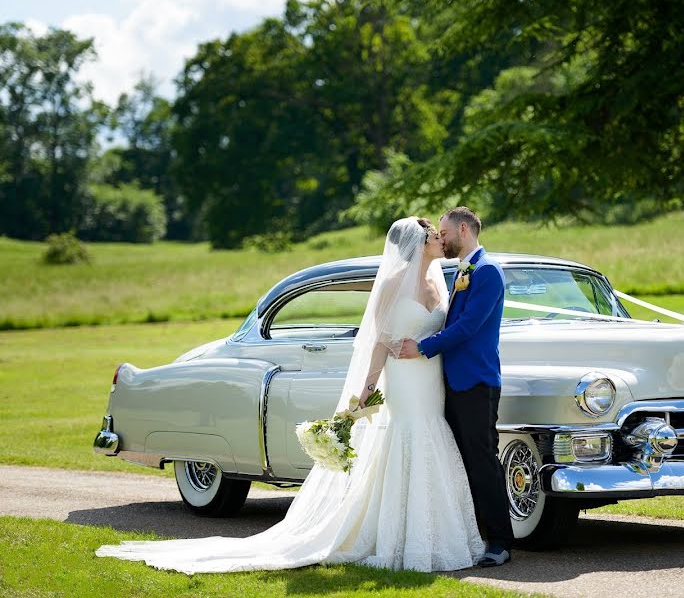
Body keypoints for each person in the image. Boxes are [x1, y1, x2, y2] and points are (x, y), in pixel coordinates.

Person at [96, 217, 485, 574]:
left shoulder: (439, 279)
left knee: (430, 438)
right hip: (403, 380)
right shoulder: (389, 284)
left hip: (430, 379)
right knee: (407, 439)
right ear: (417, 244)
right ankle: (401, 540)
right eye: (434, 235)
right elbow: (378, 341)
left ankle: (431, 536)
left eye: (440, 234)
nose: (440, 240)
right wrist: (366, 390)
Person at [399, 206, 514, 567]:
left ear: (463, 230)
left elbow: (467, 327)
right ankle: (475, 533)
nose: (442, 239)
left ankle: (500, 541)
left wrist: (423, 347)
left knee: (482, 460)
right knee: (460, 461)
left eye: (445, 233)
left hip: (476, 381)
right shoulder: (462, 271)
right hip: (451, 382)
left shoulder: (488, 272)